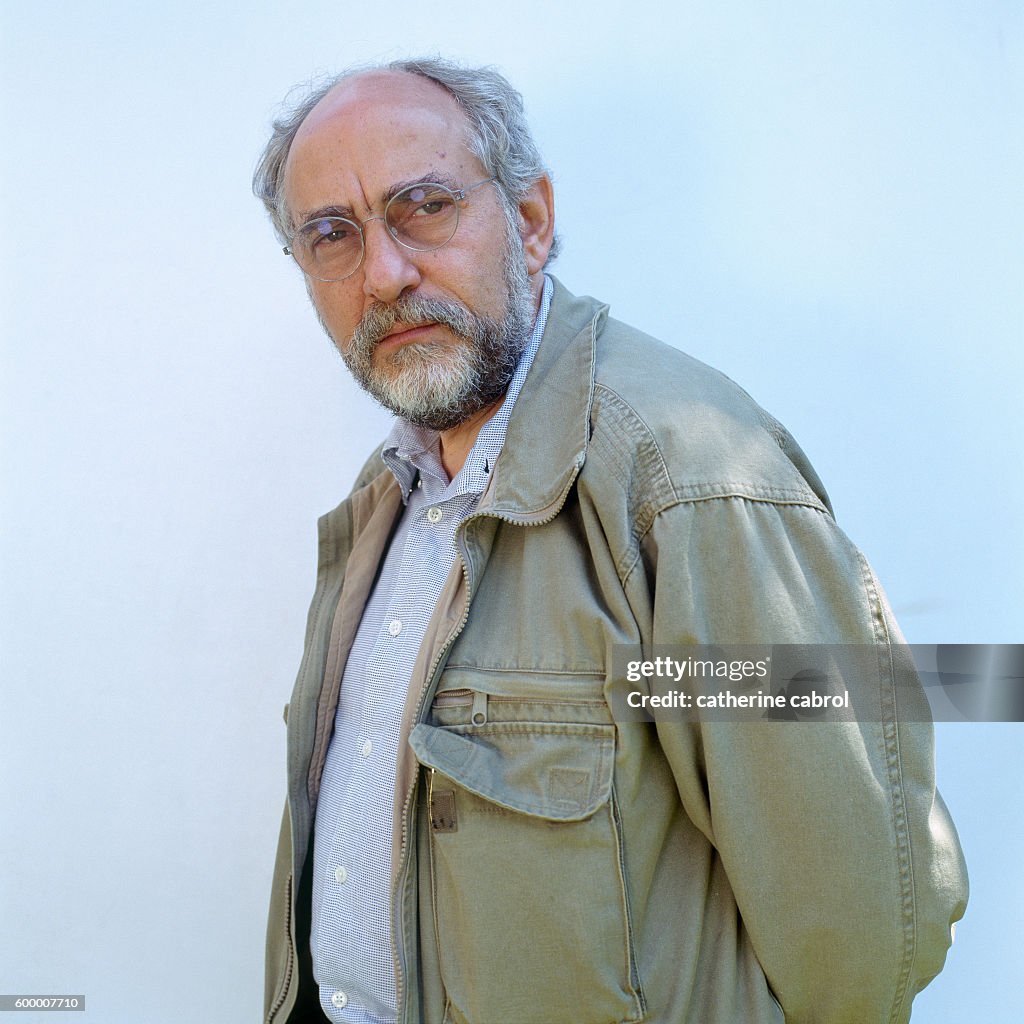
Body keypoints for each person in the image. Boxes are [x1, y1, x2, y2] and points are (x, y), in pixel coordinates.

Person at [253, 57, 968, 1024]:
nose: (385, 273)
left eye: (424, 206)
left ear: (532, 220)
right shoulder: (391, 496)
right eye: (332, 234)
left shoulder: (690, 484)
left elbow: (865, 923)